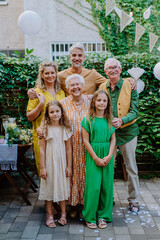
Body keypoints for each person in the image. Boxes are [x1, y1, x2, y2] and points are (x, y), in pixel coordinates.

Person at [99, 58, 140, 212]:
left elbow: (135, 111)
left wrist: (122, 120)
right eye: (109, 68)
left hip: (128, 133)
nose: (113, 70)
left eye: (115, 67)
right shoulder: (102, 86)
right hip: (109, 134)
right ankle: (108, 199)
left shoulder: (130, 84)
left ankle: (134, 200)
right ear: (105, 71)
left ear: (121, 69)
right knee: (108, 167)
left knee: (131, 167)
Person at [81, 89, 116, 229]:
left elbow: (113, 139)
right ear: (94, 102)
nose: (102, 103)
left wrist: (109, 155)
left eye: (104, 100)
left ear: (108, 103)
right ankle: (89, 216)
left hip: (108, 155)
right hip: (93, 155)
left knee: (106, 186)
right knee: (94, 187)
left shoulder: (110, 119)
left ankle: (103, 216)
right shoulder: (88, 120)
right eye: (99, 100)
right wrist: (95, 157)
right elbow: (85, 141)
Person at [27, 61, 65, 177]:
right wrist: (41, 104)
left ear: (56, 74)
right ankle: (46, 195)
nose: (50, 76)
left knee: (58, 168)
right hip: (42, 135)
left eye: (52, 73)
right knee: (45, 169)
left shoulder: (61, 92)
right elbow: (29, 117)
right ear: (42, 75)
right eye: (47, 73)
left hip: (59, 135)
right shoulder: (37, 93)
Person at [27, 43, 107, 98]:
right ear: (69, 57)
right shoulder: (61, 76)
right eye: (74, 55)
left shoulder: (92, 74)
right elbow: (46, 85)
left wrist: (96, 96)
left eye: (80, 55)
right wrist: (31, 91)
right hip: (70, 115)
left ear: (84, 57)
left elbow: (110, 85)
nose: (77, 58)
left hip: (89, 115)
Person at [60, 74, 90, 218]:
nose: (75, 87)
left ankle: (84, 204)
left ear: (83, 86)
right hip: (68, 146)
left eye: (78, 84)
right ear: (67, 87)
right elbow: (51, 118)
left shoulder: (90, 103)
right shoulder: (62, 103)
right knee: (70, 174)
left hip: (86, 146)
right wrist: (42, 129)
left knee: (85, 174)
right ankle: (72, 204)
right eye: (72, 85)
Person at [39, 100, 72, 228]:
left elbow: (69, 148)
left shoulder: (65, 128)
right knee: (49, 187)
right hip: (49, 163)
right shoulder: (44, 129)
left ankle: (63, 214)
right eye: (51, 112)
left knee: (63, 187)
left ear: (62, 112)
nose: (55, 114)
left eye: (57, 111)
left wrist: (69, 166)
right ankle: (49, 215)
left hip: (62, 163)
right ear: (47, 114)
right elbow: (42, 149)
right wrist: (42, 167)